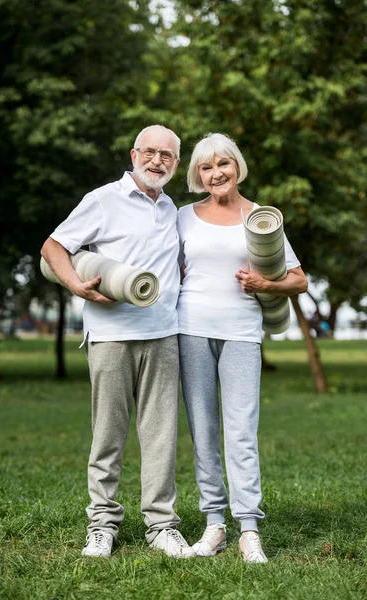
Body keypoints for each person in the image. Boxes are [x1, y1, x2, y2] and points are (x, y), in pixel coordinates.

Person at [41, 125, 196, 559]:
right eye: (150, 152)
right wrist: (76, 285)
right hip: (110, 334)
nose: (157, 161)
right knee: (109, 434)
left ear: (176, 164)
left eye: (167, 155)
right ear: (133, 154)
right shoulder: (103, 199)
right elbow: (53, 246)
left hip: (163, 335)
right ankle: (102, 525)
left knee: (161, 435)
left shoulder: (170, 208)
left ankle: (162, 525)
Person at [177, 133, 307, 562]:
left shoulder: (260, 218)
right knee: (203, 431)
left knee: (241, 430)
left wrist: (265, 284)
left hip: (242, 334)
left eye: (223, 164)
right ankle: (215, 524)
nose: (216, 173)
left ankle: (248, 527)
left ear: (237, 167)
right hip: (191, 329)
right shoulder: (182, 217)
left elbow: (299, 279)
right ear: (198, 174)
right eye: (206, 167)